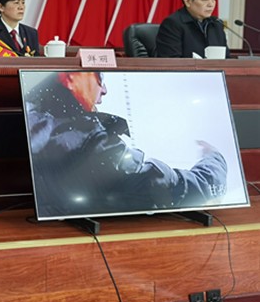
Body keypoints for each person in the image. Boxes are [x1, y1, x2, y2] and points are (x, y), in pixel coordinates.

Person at [25, 70, 227, 218]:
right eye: (99, 78)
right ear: (70, 77)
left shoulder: (33, 116)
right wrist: (214, 161)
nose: (104, 90)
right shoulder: (83, 138)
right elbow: (162, 184)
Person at [155, 0, 229, 58]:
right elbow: (171, 60)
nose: (211, 4)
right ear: (187, 1)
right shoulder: (173, 24)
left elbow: (226, 57)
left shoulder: (216, 24)